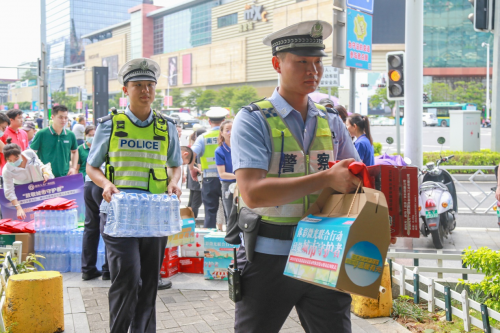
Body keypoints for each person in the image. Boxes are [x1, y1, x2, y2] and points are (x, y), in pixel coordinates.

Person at [231, 20, 364, 333]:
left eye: (317, 62)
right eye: (302, 62)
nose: (312, 71)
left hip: (324, 254)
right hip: (267, 257)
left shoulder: (331, 120)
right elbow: (252, 193)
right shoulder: (253, 120)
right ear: (277, 63)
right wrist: (325, 179)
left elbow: (355, 179)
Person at [86, 58, 182, 333]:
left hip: (155, 215)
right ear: (125, 90)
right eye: (138, 85)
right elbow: (91, 167)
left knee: (150, 281)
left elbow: (176, 165)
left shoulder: (167, 126)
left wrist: (175, 182)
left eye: (150, 85)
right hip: (119, 215)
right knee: (127, 278)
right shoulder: (110, 124)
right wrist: (105, 184)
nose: (145, 90)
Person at [189, 108, 229, 228]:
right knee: (229, 211)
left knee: (210, 211)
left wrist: (192, 169)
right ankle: (231, 242)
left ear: (209, 121)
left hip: (209, 179)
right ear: (224, 121)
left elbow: (191, 153)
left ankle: (209, 244)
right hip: (228, 179)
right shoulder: (228, 136)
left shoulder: (203, 137)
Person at [2, 138, 53, 219]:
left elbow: (39, 163)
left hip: (38, 185)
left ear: (21, 153)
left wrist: (45, 172)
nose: (14, 162)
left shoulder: (30, 153)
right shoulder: (7, 170)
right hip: (22, 190)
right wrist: (18, 208)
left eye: (16, 158)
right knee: (30, 215)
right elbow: (9, 191)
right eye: (10, 160)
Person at [30, 105, 79, 178]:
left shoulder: (70, 135)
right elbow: (32, 153)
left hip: (65, 176)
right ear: (52, 117)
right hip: (45, 177)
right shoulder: (42, 134)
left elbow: (74, 151)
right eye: (60, 117)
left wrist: (74, 168)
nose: (63, 120)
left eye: (66, 118)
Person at [214, 120, 235, 221]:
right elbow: (222, 174)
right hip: (228, 185)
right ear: (221, 133)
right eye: (227, 130)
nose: (230, 132)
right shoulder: (220, 151)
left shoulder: (242, 147)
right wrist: (239, 176)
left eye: (233, 129)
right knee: (230, 215)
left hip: (243, 183)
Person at [186, 128, 206, 218]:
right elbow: (200, 165)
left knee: (191, 202)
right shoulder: (199, 149)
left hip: (193, 180)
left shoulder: (194, 147)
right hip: (198, 179)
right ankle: (192, 222)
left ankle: (188, 222)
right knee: (195, 204)